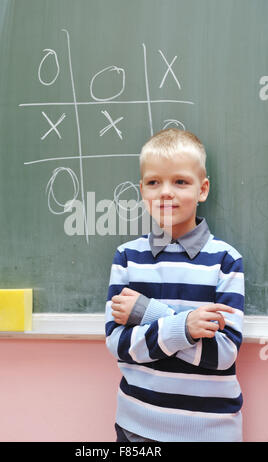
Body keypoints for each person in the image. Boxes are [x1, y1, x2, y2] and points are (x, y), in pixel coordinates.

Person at [105, 128, 244, 442]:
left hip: (212, 431)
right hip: (136, 427)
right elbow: (121, 347)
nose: (165, 192)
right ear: (142, 190)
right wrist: (187, 326)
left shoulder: (225, 261)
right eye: (154, 182)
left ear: (202, 189)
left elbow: (222, 354)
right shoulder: (127, 258)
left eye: (180, 181)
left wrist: (148, 313)